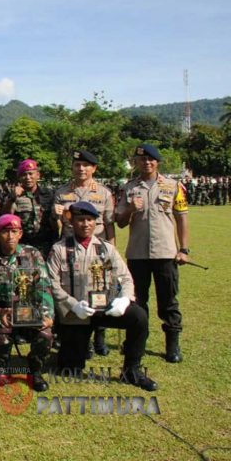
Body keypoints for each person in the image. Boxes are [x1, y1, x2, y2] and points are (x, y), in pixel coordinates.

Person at [47, 202, 157, 391]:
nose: (86, 224)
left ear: (96, 223)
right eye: (81, 220)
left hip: (104, 309)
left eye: (90, 220)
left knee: (139, 317)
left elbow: (126, 278)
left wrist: (124, 299)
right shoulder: (60, 249)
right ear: (71, 222)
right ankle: (71, 347)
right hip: (77, 314)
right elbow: (51, 283)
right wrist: (72, 305)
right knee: (70, 368)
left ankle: (131, 370)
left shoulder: (106, 249)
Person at [115, 144, 189, 363]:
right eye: (142, 160)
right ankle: (138, 341)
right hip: (137, 254)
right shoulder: (129, 188)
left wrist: (184, 249)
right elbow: (119, 222)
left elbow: (182, 217)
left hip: (166, 253)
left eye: (151, 159)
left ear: (158, 162)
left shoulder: (173, 186)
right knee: (137, 301)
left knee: (168, 301)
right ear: (136, 163)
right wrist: (130, 209)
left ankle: (172, 345)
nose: (146, 163)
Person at [0, 214, 54, 393]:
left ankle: (35, 371)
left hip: (28, 312)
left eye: (14, 232)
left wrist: (48, 315)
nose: (10, 237)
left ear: (21, 234)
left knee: (45, 335)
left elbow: (44, 287)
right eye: (5, 232)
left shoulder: (33, 254)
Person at [53, 149, 115, 357]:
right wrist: (58, 216)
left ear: (94, 168)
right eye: (77, 165)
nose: (81, 168)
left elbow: (109, 224)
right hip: (70, 250)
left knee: (99, 290)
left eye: (86, 165)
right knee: (73, 292)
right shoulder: (61, 192)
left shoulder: (104, 193)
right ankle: (80, 339)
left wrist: (111, 250)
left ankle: (99, 337)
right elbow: (58, 224)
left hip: (97, 250)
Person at [1, 159, 58, 258]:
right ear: (19, 177)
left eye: (31, 174)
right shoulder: (12, 195)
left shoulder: (49, 194)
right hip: (24, 245)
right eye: (24, 174)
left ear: (38, 175)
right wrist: (12, 199)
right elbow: (5, 218)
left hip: (47, 244)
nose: (28, 177)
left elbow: (56, 221)